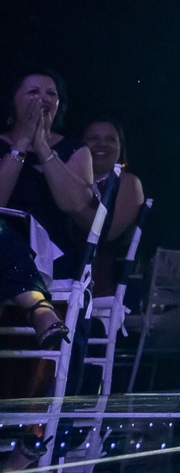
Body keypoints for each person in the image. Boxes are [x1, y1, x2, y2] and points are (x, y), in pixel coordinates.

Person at [1, 71, 94, 354]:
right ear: (13, 101)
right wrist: (21, 145)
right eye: (32, 92)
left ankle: (39, 310)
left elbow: (74, 203)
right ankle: (40, 310)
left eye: (50, 93)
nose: (43, 99)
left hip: (51, 255)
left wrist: (41, 146)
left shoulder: (74, 149)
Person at [74, 118, 147, 296]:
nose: (101, 144)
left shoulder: (128, 182)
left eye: (110, 139)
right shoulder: (70, 178)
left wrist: (68, 199)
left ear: (120, 147)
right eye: (93, 139)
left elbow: (109, 232)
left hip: (102, 279)